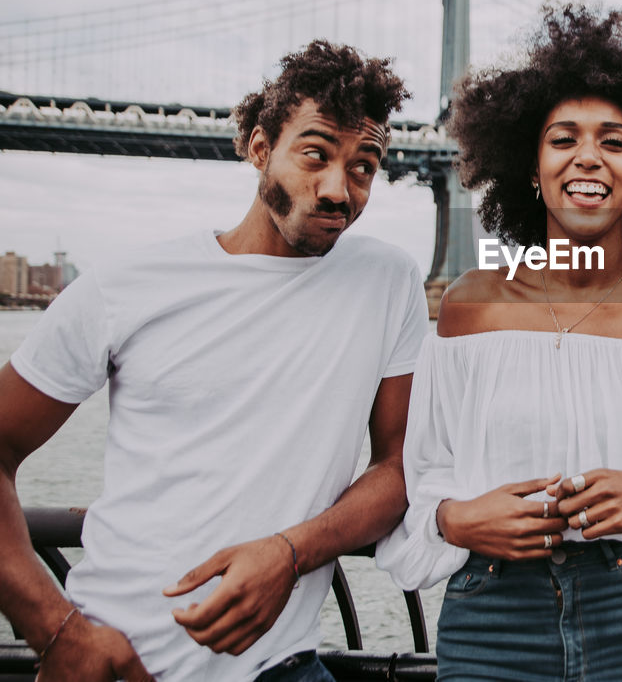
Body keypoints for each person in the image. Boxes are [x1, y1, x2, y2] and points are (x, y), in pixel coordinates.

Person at [0, 40, 428, 681]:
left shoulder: (388, 281)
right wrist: (58, 634)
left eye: (363, 166)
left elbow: (399, 468)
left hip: (280, 667)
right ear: (260, 148)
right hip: (117, 662)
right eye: (315, 154)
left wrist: (288, 555)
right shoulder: (129, 285)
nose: (340, 189)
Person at [376, 4, 622, 681]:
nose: (588, 158)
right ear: (530, 166)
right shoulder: (469, 306)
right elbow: (423, 472)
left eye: (614, 141)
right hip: (492, 614)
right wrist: (456, 520)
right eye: (562, 138)